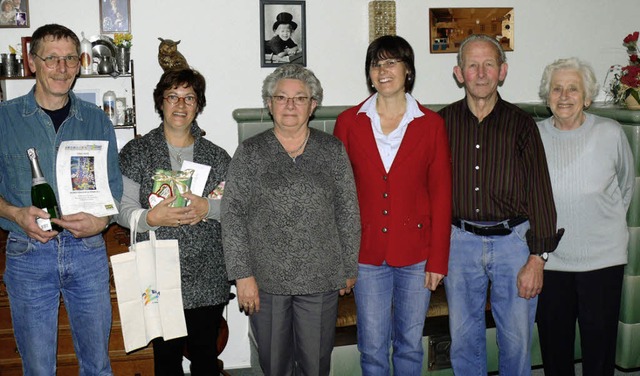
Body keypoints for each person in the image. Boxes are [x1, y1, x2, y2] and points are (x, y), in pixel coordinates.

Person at [221, 63, 360, 376]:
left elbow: (348, 210)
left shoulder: (332, 150)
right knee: (275, 365)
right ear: (269, 104)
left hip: (320, 279)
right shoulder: (250, 152)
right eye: (281, 98)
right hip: (266, 283)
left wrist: (348, 267)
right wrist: (242, 275)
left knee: (315, 365)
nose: (290, 105)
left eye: (300, 99)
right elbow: (232, 216)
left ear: (313, 106)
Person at [438, 34, 564, 376]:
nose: (481, 73)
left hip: (514, 244)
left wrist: (537, 258)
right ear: (459, 73)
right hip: (459, 243)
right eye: (472, 65)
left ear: (502, 71)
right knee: (464, 341)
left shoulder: (522, 125)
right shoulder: (440, 124)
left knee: (516, 339)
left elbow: (541, 192)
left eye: (489, 64)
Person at [0, 24, 122, 374]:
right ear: (32, 61)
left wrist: (102, 220)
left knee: (98, 365)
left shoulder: (97, 120)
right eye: (51, 58)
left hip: (88, 253)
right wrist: (15, 213)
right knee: (38, 368)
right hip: (27, 253)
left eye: (70, 58)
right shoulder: (5, 119)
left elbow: (112, 187)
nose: (62, 68)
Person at [333, 35, 452, 375]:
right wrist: (344, 259)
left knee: (410, 346)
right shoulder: (349, 122)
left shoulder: (431, 125)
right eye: (376, 64)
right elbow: (340, 198)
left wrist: (438, 261)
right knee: (371, 348)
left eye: (391, 62)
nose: (383, 70)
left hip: (417, 255)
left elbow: (442, 196)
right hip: (367, 255)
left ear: (408, 70)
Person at [117, 68, 231, 376]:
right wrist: (149, 218)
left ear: (198, 104)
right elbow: (122, 208)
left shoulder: (217, 156)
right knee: (166, 361)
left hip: (207, 273)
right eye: (172, 97)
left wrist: (207, 208)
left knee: (205, 360)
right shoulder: (137, 151)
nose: (180, 105)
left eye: (189, 97)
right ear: (160, 102)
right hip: (157, 272)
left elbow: (235, 208)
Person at [535, 57, 634, 376]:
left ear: (587, 96)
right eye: (557, 89)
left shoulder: (611, 132)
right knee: (555, 349)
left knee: (599, 350)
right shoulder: (532, 136)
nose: (564, 96)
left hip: (603, 260)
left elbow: (625, 185)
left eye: (573, 89)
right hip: (551, 261)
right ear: (547, 95)